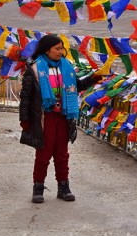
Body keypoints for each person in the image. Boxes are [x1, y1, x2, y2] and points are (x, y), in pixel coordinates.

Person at [19, 35, 100, 203]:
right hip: (44, 117)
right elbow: (26, 97)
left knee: (62, 154)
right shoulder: (34, 69)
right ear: (46, 50)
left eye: (62, 48)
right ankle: (38, 188)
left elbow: (77, 86)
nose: (60, 51)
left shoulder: (67, 67)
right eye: (57, 48)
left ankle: (63, 188)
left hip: (63, 116)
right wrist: (25, 119)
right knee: (43, 153)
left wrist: (93, 79)